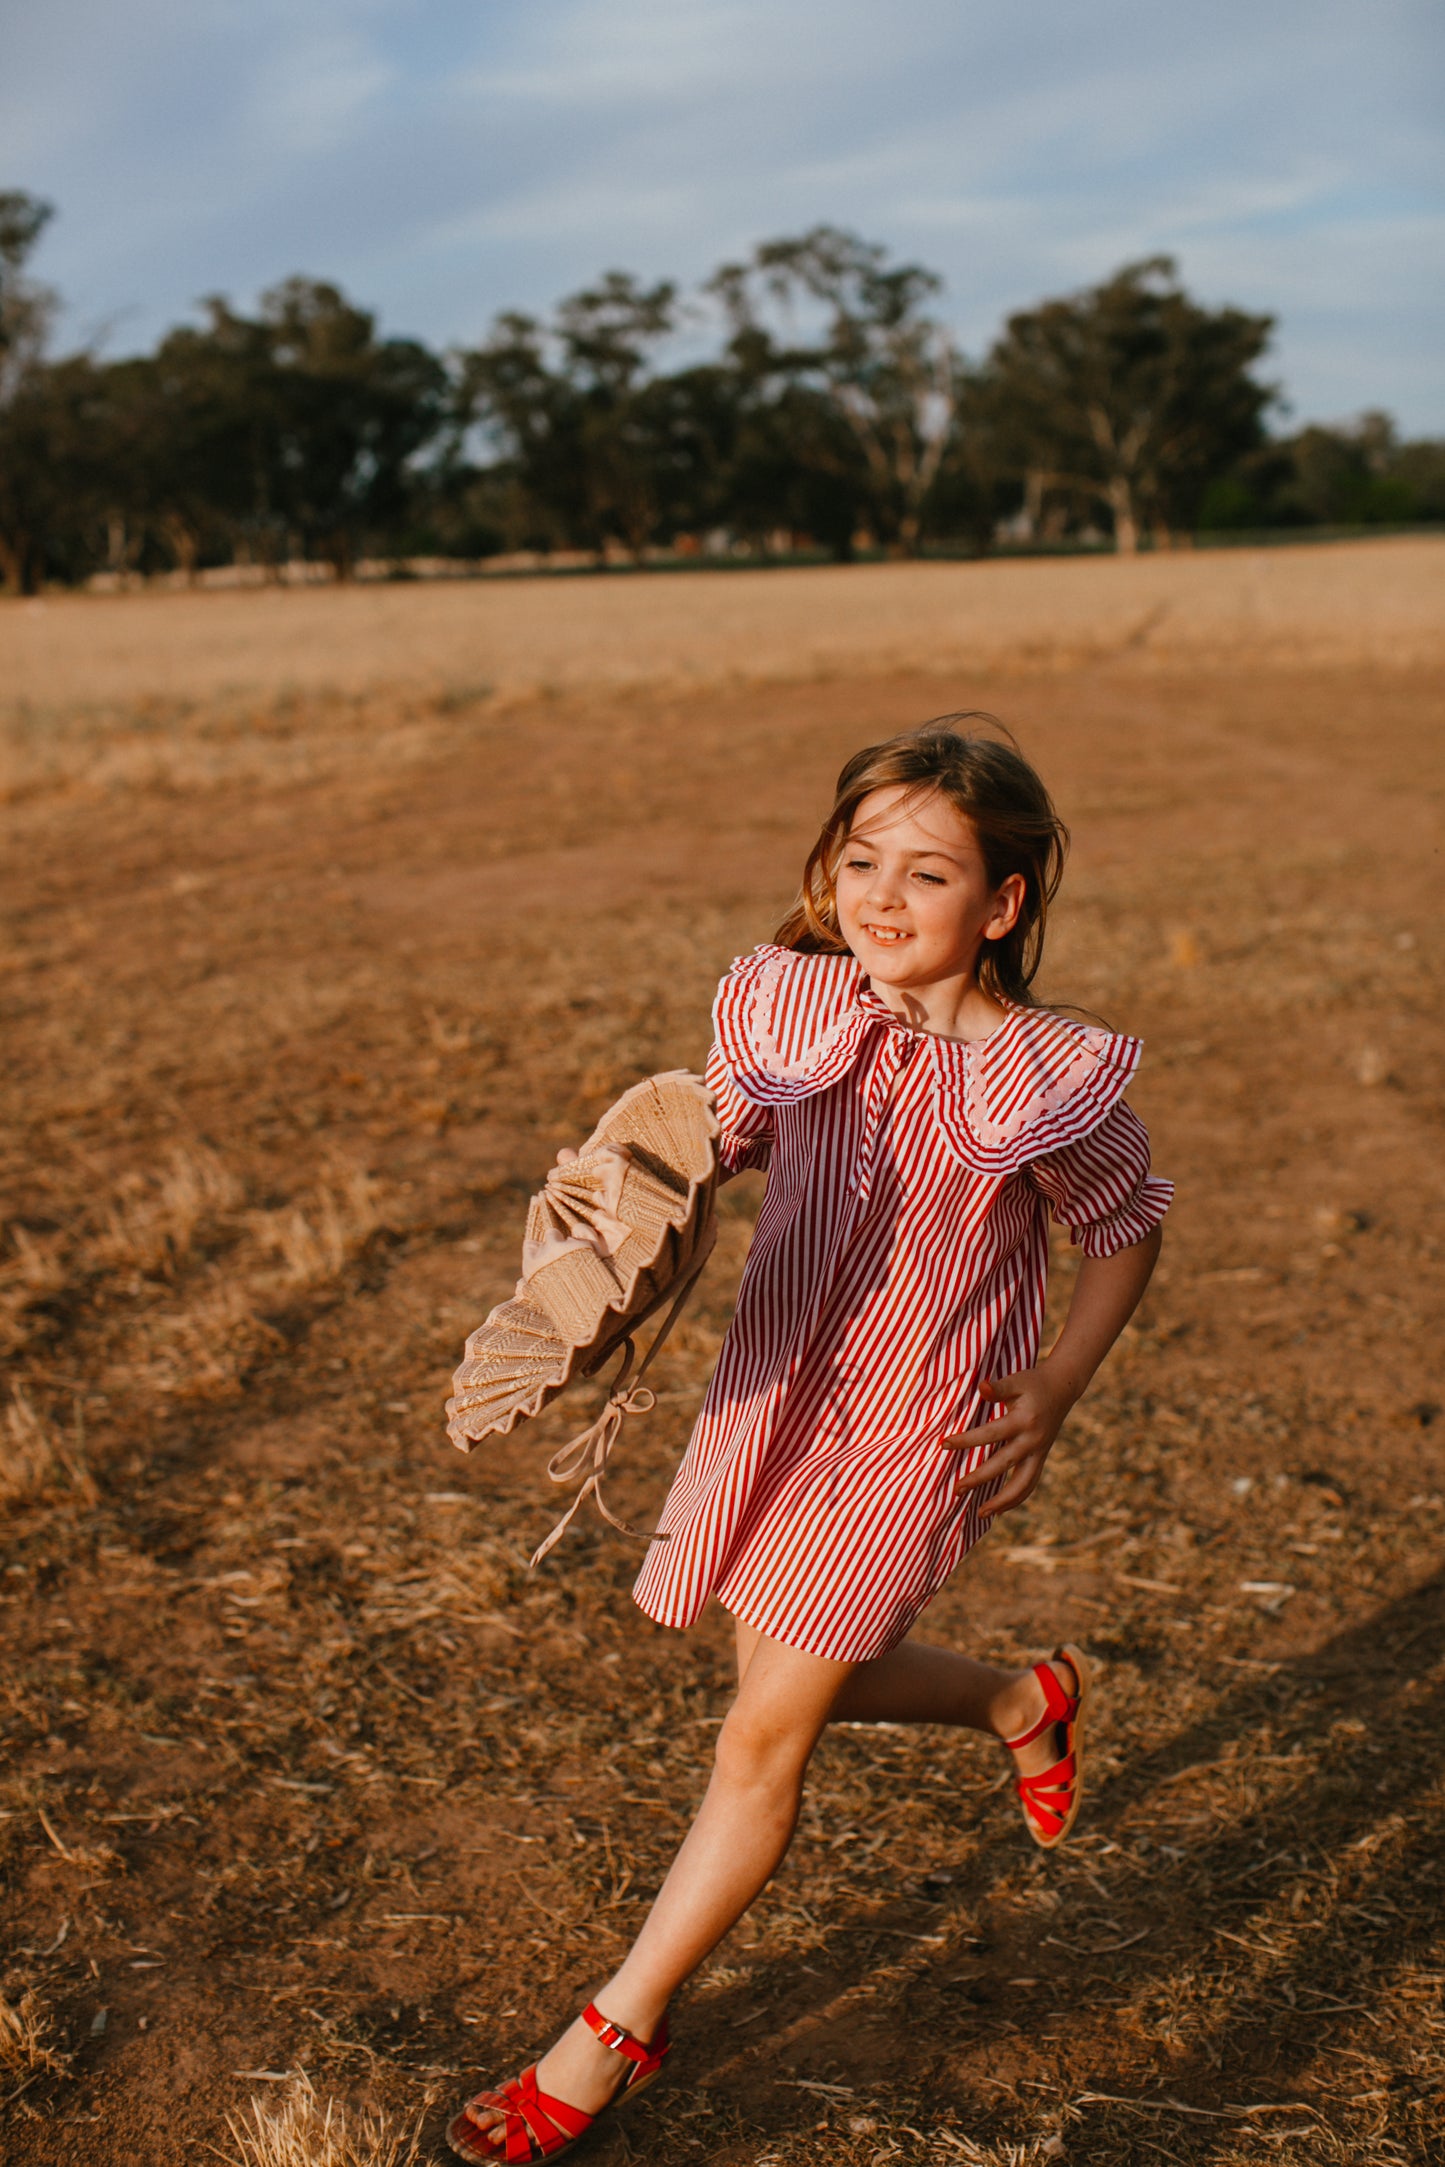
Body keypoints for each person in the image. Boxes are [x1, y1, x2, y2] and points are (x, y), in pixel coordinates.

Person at [447, 718, 1172, 2164]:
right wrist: (610, 1217)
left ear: (1002, 905)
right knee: (779, 1668)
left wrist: (1056, 1385)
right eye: (860, 862)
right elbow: (692, 1145)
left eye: (926, 873)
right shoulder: (791, 1016)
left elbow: (1127, 1229)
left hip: (916, 1433)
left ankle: (612, 2031)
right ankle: (1016, 1704)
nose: (881, 898)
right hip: (770, 1403)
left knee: (759, 1732)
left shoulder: (1039, 1078)